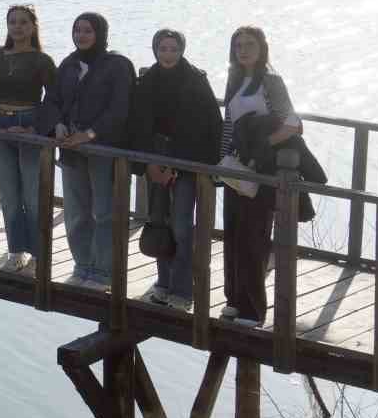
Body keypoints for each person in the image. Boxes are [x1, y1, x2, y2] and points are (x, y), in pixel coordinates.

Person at [128, 28, 223, 311]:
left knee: (181, 226)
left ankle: (183, 291)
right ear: (155, 50)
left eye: (173, 49)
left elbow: (211, 126)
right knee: (159, 222)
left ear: (182, 50)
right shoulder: (146, 81)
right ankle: (163, 283)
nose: (167, 54)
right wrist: (148, 164)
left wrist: (183, 165)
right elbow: (139, 125)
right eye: (163, 49)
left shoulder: (196, 80)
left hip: (187, 162)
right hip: (156, 159)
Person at [42, 12, 135, 291]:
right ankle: (82, 265)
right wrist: (58, 125)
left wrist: (90, 134)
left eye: (87, 31)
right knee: (76, 211)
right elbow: (53, 100)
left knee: (105, 212)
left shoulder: (117, 65)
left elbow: (120, 108)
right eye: (77, 30)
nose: (81, 35)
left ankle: (103, 272)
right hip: (71, 148)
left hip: (103, 149)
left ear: (100, 34)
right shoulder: (68, 65)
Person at [0, 4, 59, 273]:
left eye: (23, 22)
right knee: (9, 195)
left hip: (29, 125)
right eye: (13, 22)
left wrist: (34, 130)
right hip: (0, 127)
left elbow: (54, 100)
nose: (17, 27)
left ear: (33, 26)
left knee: (32, 195)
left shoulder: (42, 60)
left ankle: (39, 253)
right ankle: (16, 251)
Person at [218, 26, 302, 326]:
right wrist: (222, 161)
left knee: (254, 237)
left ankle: (254, 310)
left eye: (249, 44)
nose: (243, 50)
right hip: (235, 167)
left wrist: (262, 147)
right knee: (233, 235)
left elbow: (293, 125)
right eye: (238, 45)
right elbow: (229, 123)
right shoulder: (236, 79)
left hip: (262, 170)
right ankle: (234, 300)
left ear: (262, 47)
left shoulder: (271, 81)